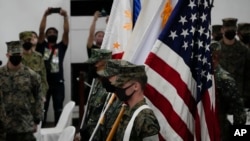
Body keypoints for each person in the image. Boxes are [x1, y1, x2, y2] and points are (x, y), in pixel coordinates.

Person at [98, 59, 160, 141]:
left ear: (135, 86)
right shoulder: (127, 110)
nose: (117, 88)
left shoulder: (145, 117)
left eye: (121, 84)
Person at [0, 41, 44, 141]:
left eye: (18, 54)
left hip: (25, 125)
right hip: (3, 127)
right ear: (7, 55)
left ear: (22, 54)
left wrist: (37, 120)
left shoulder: (32, 75)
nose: (16, 56)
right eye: (13, 54)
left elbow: (39, 98)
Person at [36, 7, 69, 126]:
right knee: (42, 110)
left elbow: (66, 32)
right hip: (44, 83)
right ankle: (41, 134)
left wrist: (65, 17)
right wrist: (45, 15)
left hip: (58, 84)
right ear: (45, 36)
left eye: (54, 32)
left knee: (58, 109)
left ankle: (59, 135)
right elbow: (40, 31)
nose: (52, 34)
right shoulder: (41, 46)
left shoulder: (61, 47)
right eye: (49, 32)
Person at [210, 41, 246, 141]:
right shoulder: (201, 79)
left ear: (216, 56)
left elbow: (240, 113)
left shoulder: (224, 80)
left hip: (222, 132)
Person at [74, 49, 112, 141]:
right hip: (90, 132)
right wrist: (81, 131)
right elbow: (90, 111)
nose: (94, 66)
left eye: (96, 63)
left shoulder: (110, 86)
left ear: (105, 63)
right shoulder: (97, 82)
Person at [219, 17, 250, 109]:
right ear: (222, 30)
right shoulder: (215, 49)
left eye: (232, 28)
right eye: (227, 28)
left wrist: (246, 98)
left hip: (239, 98)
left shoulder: (244, 50)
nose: (230, 31)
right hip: (220, 99)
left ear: (236, 30)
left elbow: (248, 76)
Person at [19, 31, 48, 101]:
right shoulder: (16, 57)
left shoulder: (38, 57)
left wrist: (43, 94)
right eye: (25, 40)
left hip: (36, 96)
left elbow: (43, 78)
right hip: (21, 97)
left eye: (29, 40)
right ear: (21, 42)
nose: (27, 42)